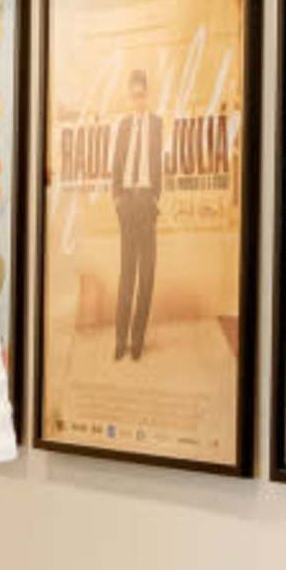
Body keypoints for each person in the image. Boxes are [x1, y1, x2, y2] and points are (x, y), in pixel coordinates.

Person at [108, 67, 165, 362]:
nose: (138, 100)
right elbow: (116, 165)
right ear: (129, 97)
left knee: (147, 274)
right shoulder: (123, 125)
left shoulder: (157, 124)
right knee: (127, 273)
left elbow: (159, 165)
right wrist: (117, 198)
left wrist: (155, 198)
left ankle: (138, 340)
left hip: (147, 203)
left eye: (142, 95)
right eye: (134, 95)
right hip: (127, 202)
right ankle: (120, 340)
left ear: (147, 95)